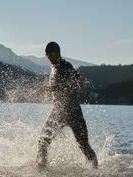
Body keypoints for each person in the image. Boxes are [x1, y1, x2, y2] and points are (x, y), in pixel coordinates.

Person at [36, 41, 98, 169]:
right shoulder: (59, 66)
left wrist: (49, 88)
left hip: (68, 111)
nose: (50, 59)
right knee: (43, 141)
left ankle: (96, 168)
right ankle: (41, 167)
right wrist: (79, 81)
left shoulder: (65, 66)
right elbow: (78, 79)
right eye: (48, 56)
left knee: (83, 145)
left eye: (52, 56)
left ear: (58, 53)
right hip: (65, 110)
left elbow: (70, 84)